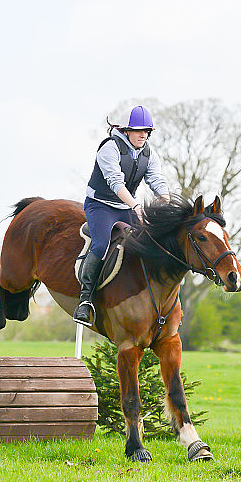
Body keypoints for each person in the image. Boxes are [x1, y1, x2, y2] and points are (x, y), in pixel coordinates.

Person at [74, 105, 170, 326]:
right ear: (126, 130)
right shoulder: (110, 148)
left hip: (125, 206)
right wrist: (135, 205)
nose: (143, 135)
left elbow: (156, 180)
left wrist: (168, 202)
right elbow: (115, 182)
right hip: (101, 206)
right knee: (101, 245)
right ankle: (85, 300)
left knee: (151, 240)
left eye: (147, 131)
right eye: (138, 130)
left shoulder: (149, 153)